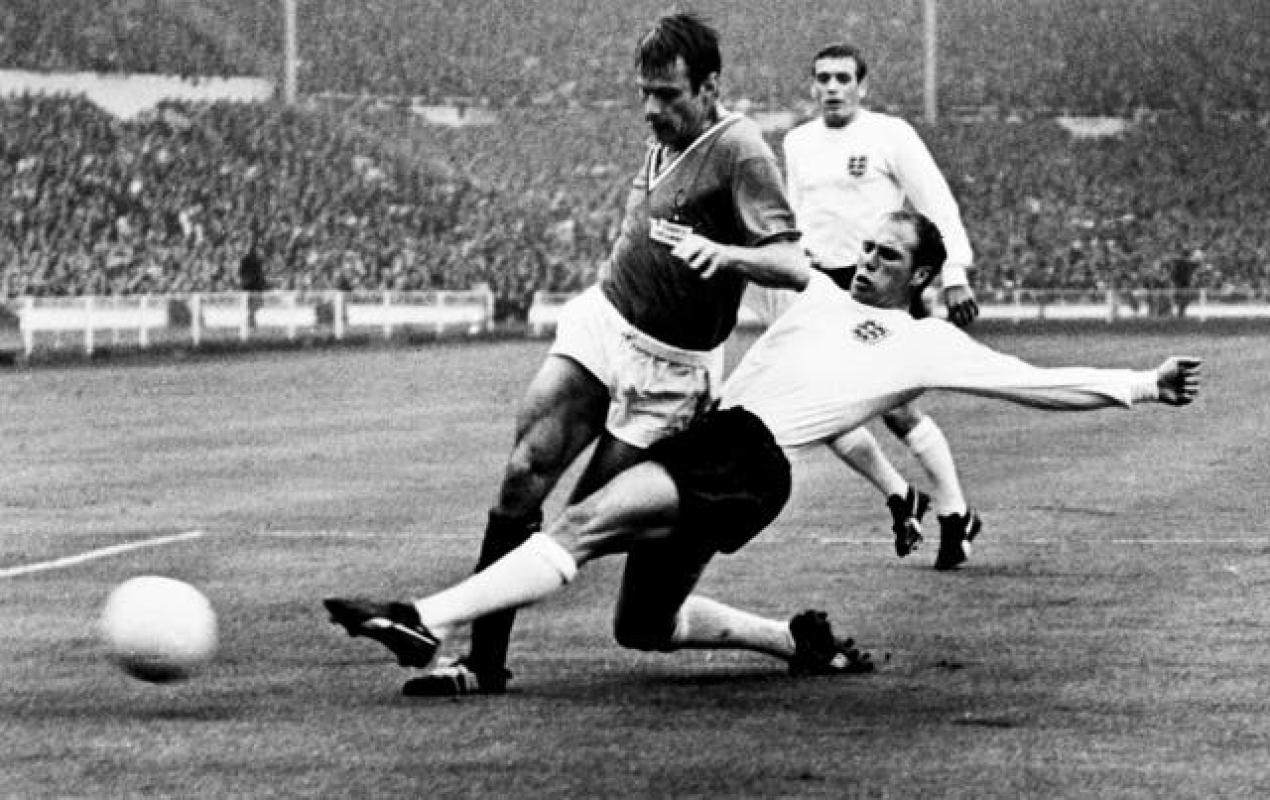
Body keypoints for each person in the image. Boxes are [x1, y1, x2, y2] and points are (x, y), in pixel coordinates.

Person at [325, 210, 1201, 694]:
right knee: (642, 628)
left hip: (747, 457)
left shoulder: (924, 343)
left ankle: (427, 618)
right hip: (718, 447)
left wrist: (1143, 384)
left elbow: (1038, 382)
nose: (868, 262)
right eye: (868, 248)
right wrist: (714, 252)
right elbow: (765, 265)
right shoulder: (819, 288)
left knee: (581, 526)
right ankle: (794, 641)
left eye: (889, 256)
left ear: (921, 276)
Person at [403, 12, 806, 696]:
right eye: (644, 92)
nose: (651, 109)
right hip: (604, 321)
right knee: (523, 471)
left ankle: (705, 586)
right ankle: (482, 663)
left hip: (670, 367)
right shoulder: (665, 135)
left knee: (578, 526)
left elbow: (792, 264)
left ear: (709, 87)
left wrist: (726, 254)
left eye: (668, 95)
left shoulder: (741, 150)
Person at [778, 42, 982, 568]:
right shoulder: (798, 142)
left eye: (843, 78)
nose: (832, 87)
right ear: (812, 85)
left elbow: (936, 203)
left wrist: (954, 273)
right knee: (825, 407)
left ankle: (951, 511)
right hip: (822, 287)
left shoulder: (890, 135)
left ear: (862, 86)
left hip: (881, 282)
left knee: (895, 406)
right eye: (823, 78)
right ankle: (906, 496)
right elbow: (797, 213)